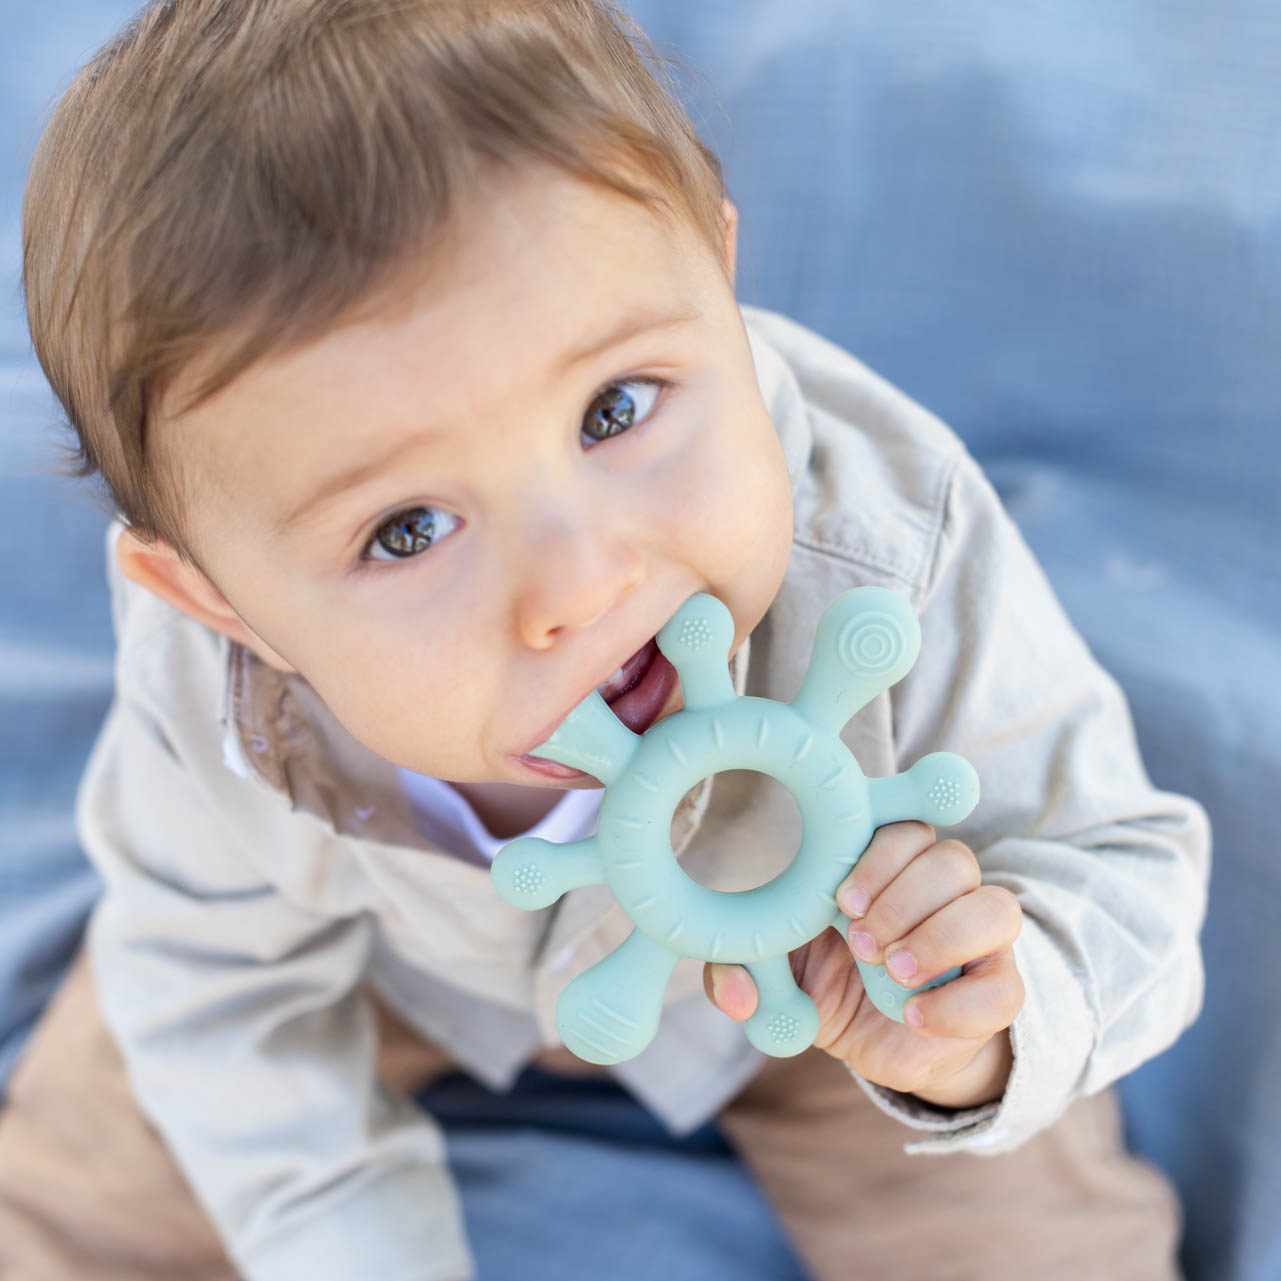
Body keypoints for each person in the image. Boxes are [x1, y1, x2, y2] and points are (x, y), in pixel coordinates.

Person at [3, 1, 1208, 1278]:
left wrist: (977, 1029)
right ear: (219, 604)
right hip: (383, 974)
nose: (579, 586)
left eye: (616, 410)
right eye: (408, 531)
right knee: (79, 1190)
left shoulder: (892, 555)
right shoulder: (213, 692)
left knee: (1040, 1240)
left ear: (721, 283)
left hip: (822, 972)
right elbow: (216, 992)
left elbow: (1123, 868)